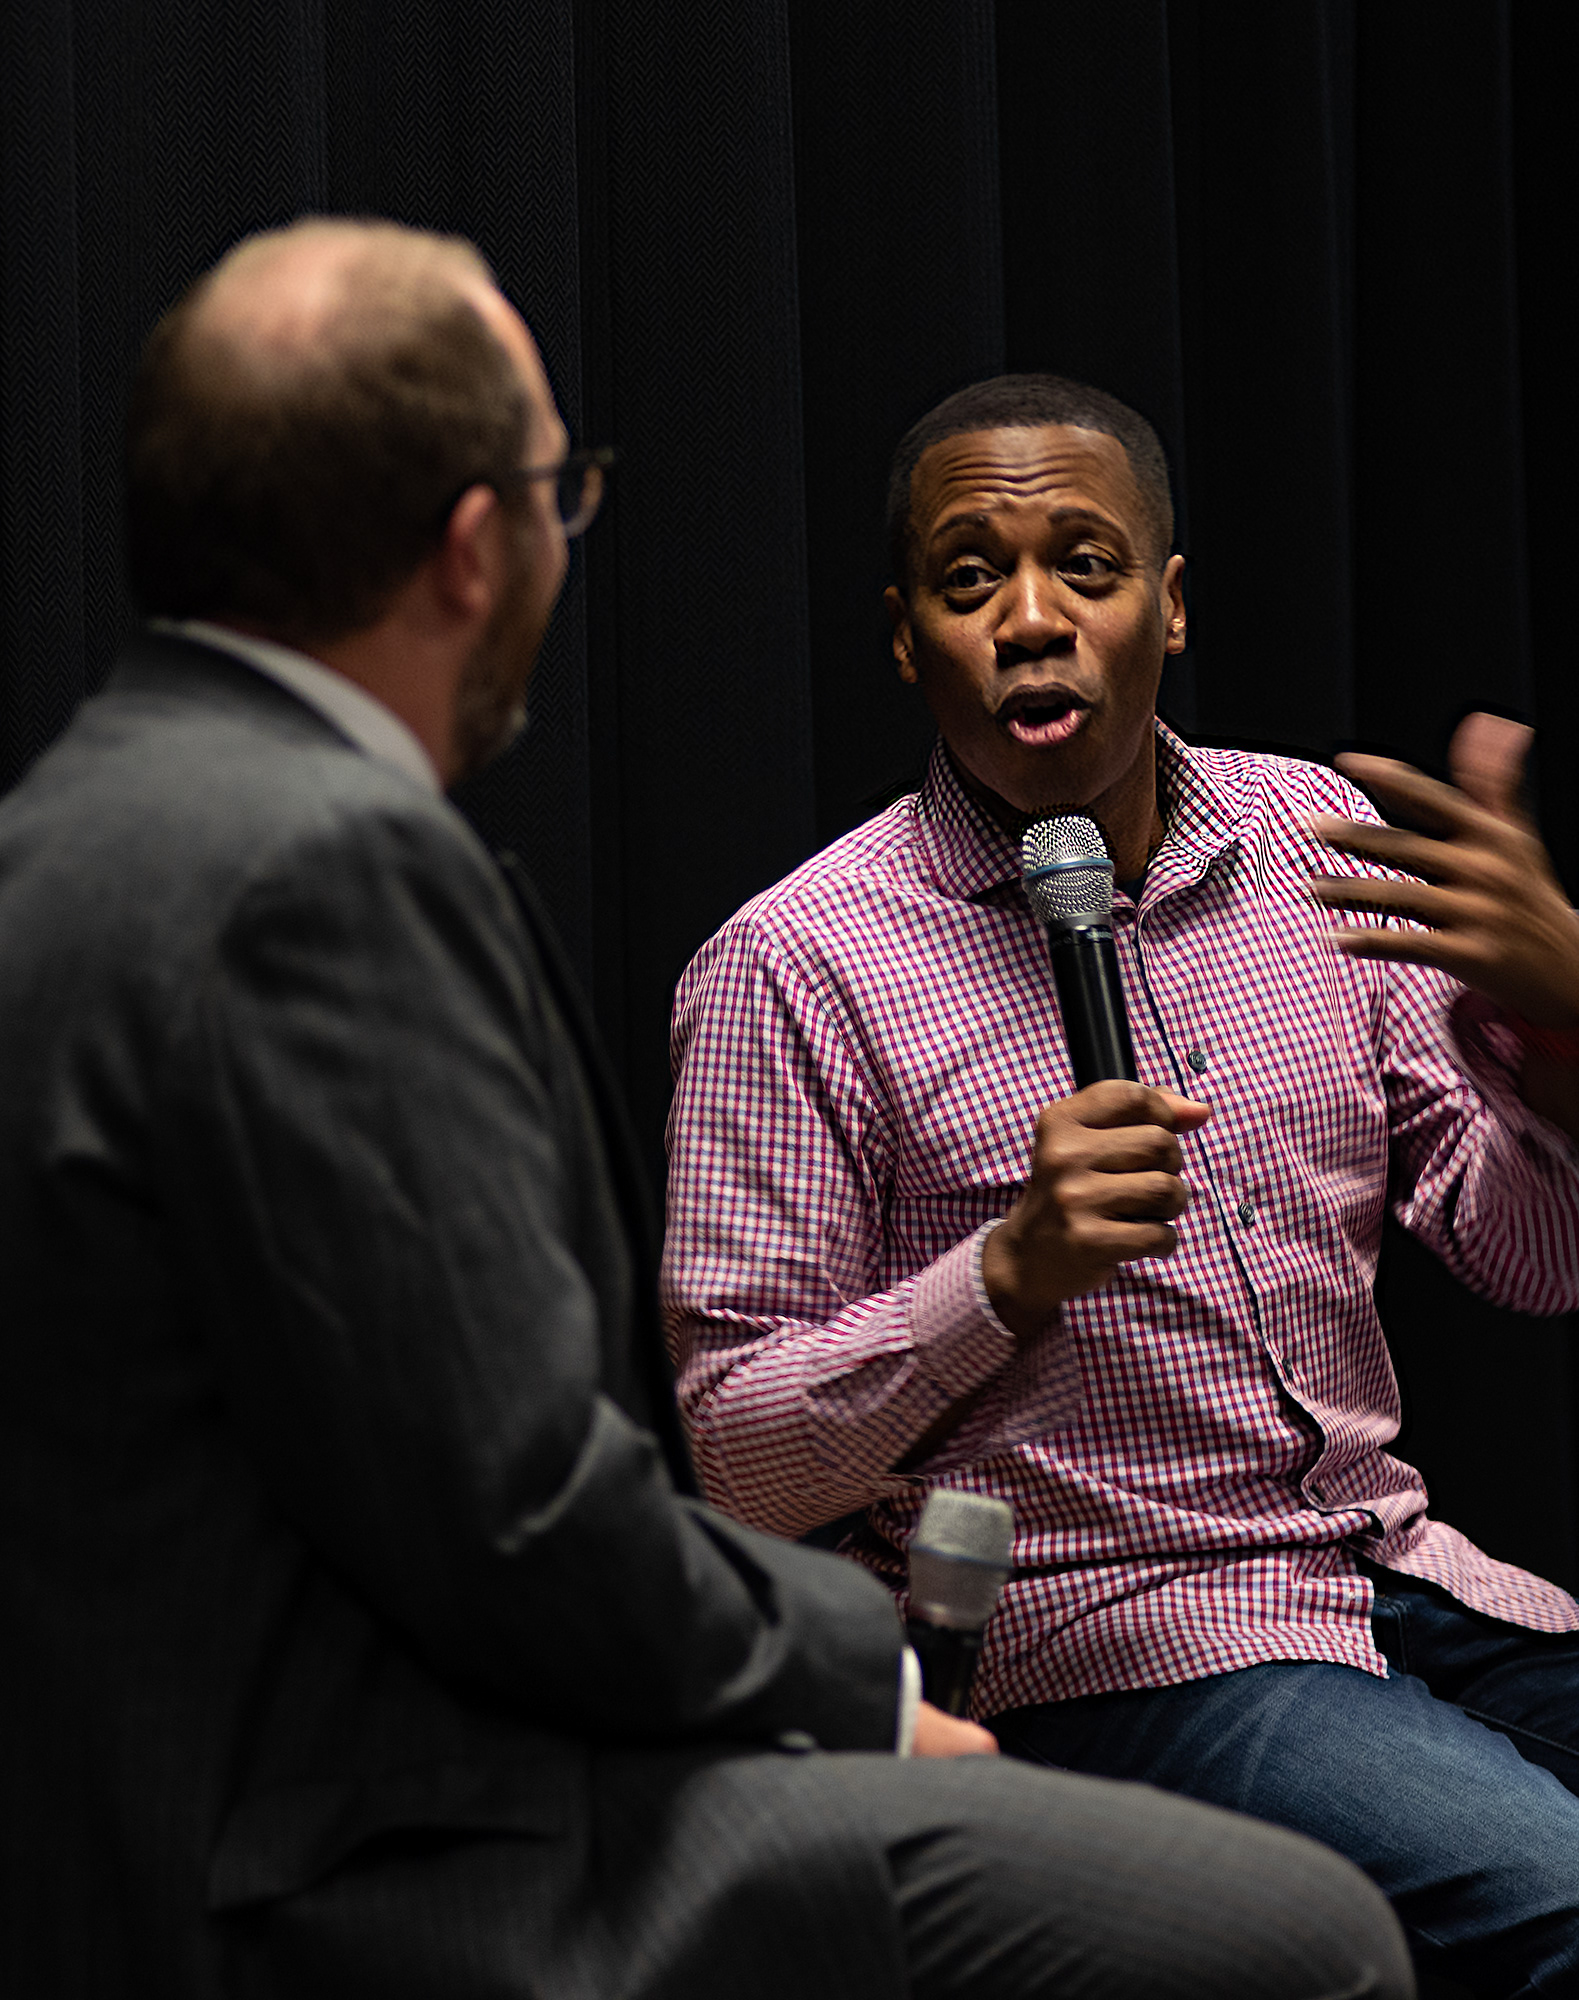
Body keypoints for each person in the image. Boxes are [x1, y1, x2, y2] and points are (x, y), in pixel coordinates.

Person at [0, 232, 1411, 2000]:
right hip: (368, 1835)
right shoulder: (323, 867)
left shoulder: (76, 821)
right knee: (1308, 1939)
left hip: (179, 1796)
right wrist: (864, 1688)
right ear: (469, 545)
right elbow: (515, 1515)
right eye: (556, 495)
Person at [664, 371, 1579, 1994]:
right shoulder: (794, 963)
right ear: (904, 637)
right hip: (1111, 1645)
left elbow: (1533, 1258)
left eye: (1084, 566)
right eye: (970, 580)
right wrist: (1001, 1276)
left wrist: (1567, 1020)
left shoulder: (1320, 841)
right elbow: (737, 1457)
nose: (1030, 618)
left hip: (1394, 1572)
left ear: (1168, 606)